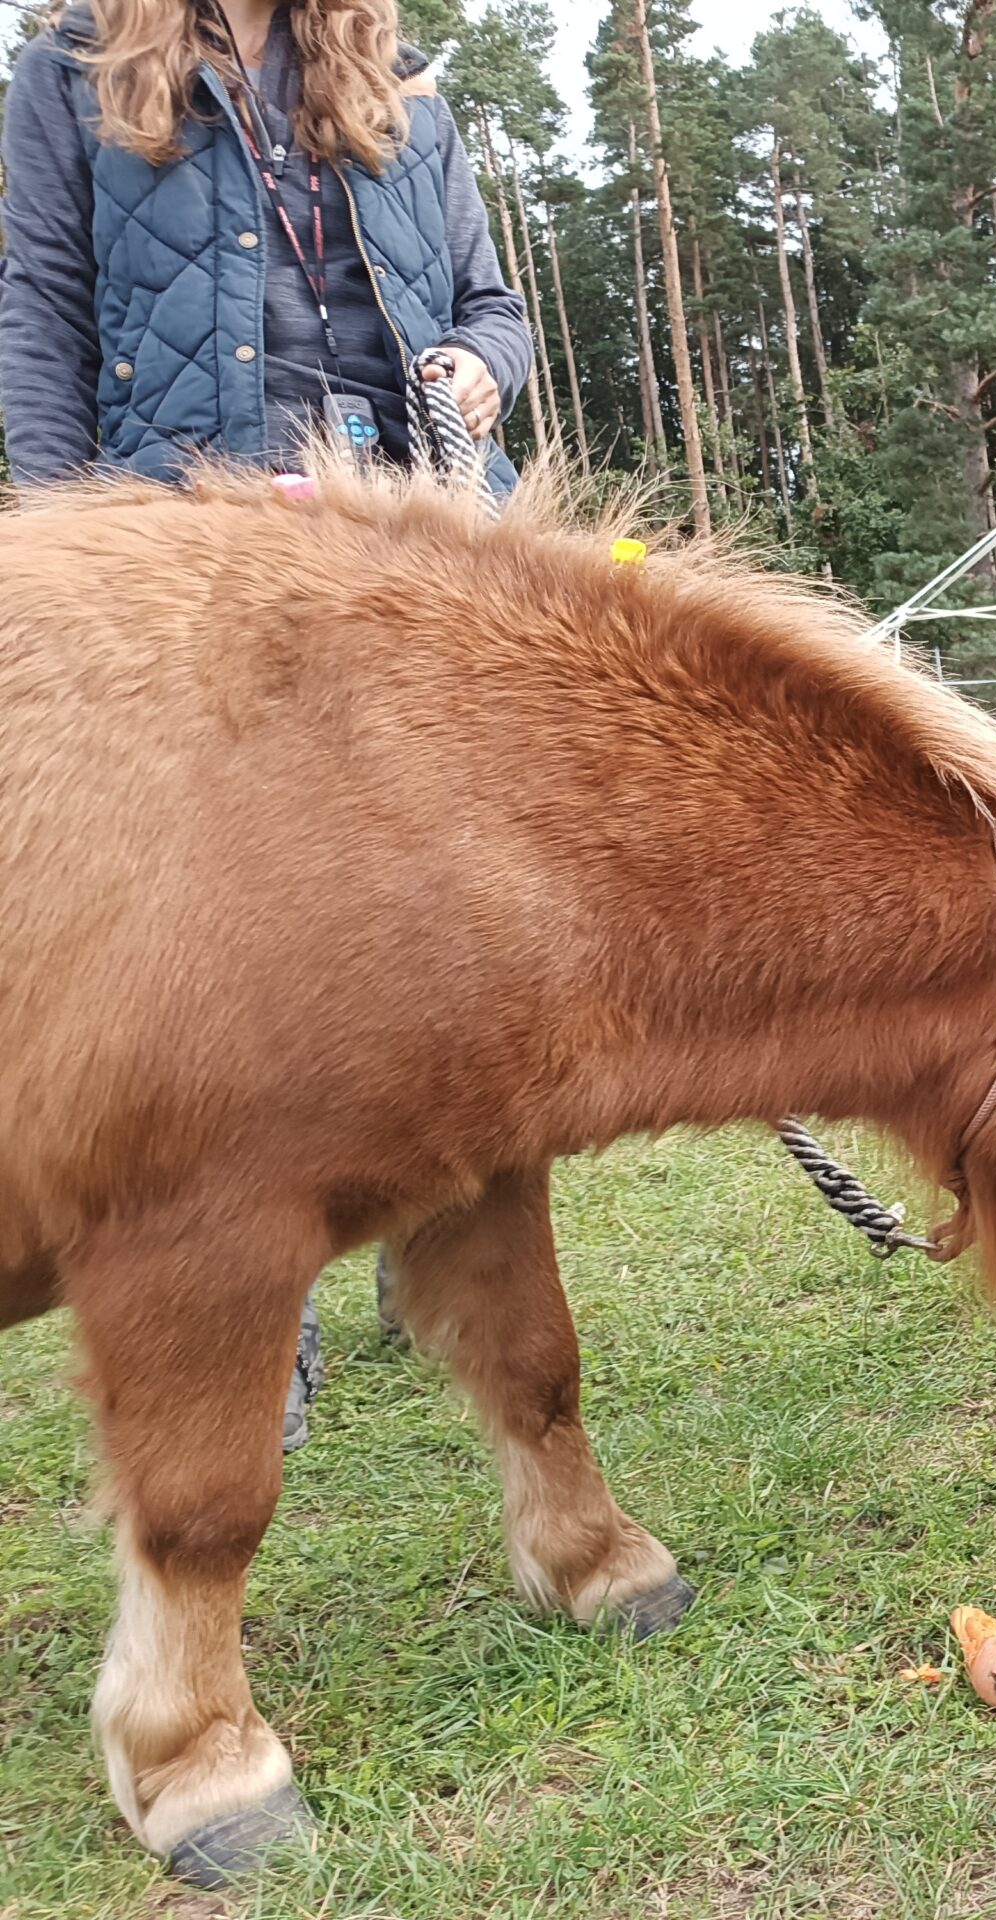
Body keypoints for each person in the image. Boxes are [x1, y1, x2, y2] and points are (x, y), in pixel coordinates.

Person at [1, 0, 535, 1451]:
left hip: (412, 557)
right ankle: (263, 1299)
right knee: (246, 948)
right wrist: (59, 562)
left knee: (435, 923)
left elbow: (494, 305)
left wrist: (488, 367)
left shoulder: (400, 77)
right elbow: (41, 314)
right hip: (197, 569)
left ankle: (424, 1210)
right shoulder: (68, 74)